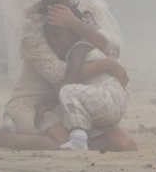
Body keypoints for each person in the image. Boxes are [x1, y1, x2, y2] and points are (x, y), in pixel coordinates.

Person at [0, 0, 137, 152]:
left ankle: (81, 140)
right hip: (40, 101)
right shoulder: (33, 23)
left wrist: (75, 24)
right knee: (58, 143)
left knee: (124, 143)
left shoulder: (88, 5)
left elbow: (113, 47)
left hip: (79, 97)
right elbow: (58, 74)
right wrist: (107, 65)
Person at [40, 19, 130, 151]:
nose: (53, 41)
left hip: (107, 96)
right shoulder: (88, 50)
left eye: (58, 35)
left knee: (67, 91)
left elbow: (71, 77)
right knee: (74, 103)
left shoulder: (79, 48)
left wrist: (45, 102)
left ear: (74, 34)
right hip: (114, 101)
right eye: (49, 37)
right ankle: (89, 139)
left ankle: (78, 140)